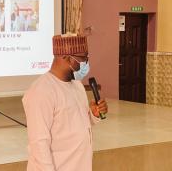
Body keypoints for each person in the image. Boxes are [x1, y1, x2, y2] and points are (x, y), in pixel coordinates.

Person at [22, 34, 108, 171]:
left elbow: (74, 124)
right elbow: (39, 143)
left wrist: (93, 114)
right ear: (66, 57)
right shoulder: (41, 91)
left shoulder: (77, 85)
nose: (86, 62)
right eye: (83, 58)